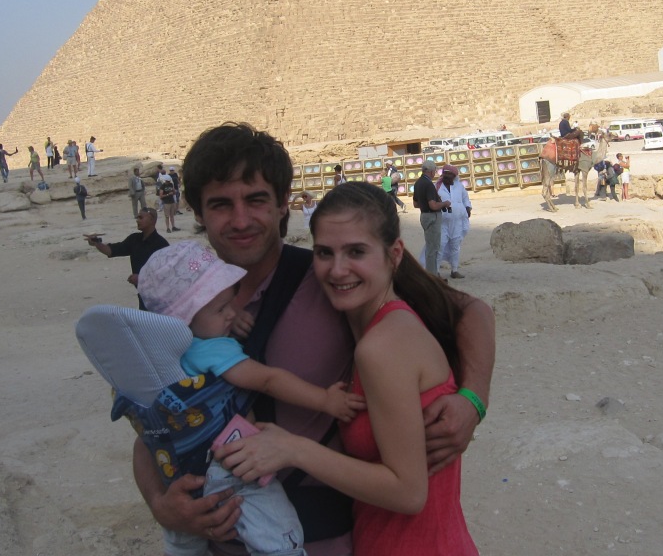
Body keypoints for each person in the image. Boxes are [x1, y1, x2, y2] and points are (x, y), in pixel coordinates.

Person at [133, 123, 493, 554]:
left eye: (256, 200)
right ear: (197, 211)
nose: (241, 220)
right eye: (221, 204)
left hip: (324, 535)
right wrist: (161, 504)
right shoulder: (176, 304)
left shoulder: (334, 278)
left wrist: (473, 399)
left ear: (283, 202)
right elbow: (150, 421)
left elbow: (471, 312)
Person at [215, 181, 480, 555]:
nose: (338, 270)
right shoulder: (385, 327)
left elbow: (408, 492)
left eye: (356, 251)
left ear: (394, 254)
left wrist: (293, 449)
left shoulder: (381, 347)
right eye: (324, 253)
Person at [80, 240, 364, 556]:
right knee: (276, 528)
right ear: (185, 320)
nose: (232, 313)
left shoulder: (161, 363)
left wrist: (229, 317)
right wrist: (325, 400)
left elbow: (145, 439)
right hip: (227, 466)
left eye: (231, 304)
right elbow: (268, 380)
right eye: (221, 309)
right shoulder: (214, 349)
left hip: (178, 475)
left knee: (183, 543)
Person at [86, 208, 169, 309]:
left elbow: (166, 273)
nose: (137, 220)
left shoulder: (161, 244)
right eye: (137, 217)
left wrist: (141, 278)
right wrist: (97, 243)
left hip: (159, 297)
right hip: (143, 295)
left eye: (141, 217)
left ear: (151, 220)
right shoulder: (134, 239)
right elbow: (111, 250)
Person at [413, 159, 449, 276]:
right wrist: (444, 204)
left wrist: (424, 204)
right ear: (432, 171)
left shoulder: (418, 183)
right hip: (432, 216)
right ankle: (432, 275)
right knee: (433, 249)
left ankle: (431, 274)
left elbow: (415, 204)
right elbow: (433, 205)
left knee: (430, 246)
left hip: (424, 215)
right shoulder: (428, 184)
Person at [436, 166, 472, 279]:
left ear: (454, 176)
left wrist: (468, 207)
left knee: (455, 246)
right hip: (442, 222)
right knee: (440, 245)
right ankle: (436, 272)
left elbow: (465, 198)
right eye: (445, 174)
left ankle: (454, 270)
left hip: (457, 222)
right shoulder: (437, 187)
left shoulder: (459, 186)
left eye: (449, 175)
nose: (447, 177)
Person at [157, 167, 180, 232]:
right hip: (166, 202)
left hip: (171, 201)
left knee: (172, 215)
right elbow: (161, 196)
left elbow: (174, 191)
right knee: (167, 216)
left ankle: (173, 226)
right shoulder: (163, 186)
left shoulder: (171, 184)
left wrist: (174, 192)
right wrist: (168, 194)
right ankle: (168, 228)